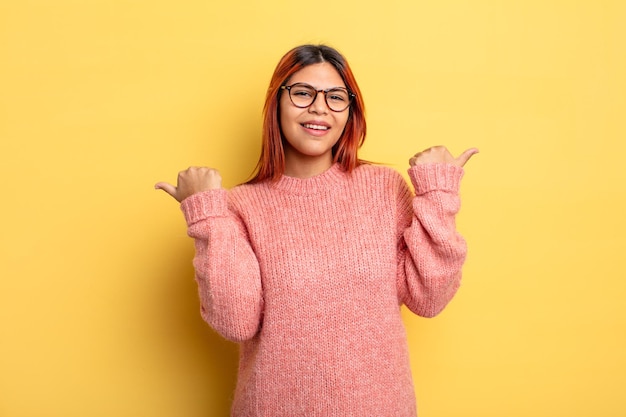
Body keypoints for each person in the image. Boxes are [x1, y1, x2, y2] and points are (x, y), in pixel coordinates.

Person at [155, 44, 478, 417]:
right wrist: (207, 217)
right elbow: (236, 321)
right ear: (276, 102)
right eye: (303, 93)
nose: (319, 108)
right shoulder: (237, 207)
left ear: (350, 111)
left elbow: (429, 298)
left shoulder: (385, 189)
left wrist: (437, 192)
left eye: (336, 97)